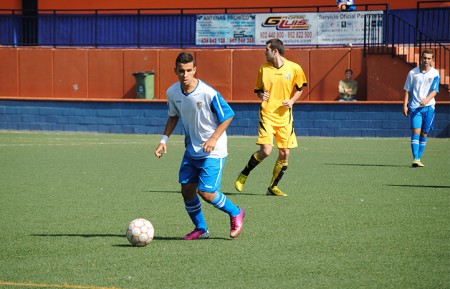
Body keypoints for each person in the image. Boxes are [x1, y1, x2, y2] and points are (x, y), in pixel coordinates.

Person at [154, 52, 245, 240]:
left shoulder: (208, 93)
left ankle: (236, 212)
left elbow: (228, 115)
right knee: (187, 190)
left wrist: (213, 139)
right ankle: (201, 229)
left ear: (195, 70)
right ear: (175, 71)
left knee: (206, 192)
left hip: (214, 150)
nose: (185, 74)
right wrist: (164, 140)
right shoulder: (172, 92)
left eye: (189, 70)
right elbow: (173, 116)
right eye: (181, 71)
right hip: (192, 149)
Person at [235, 39, 307, 197]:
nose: (264, 52)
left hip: (284, 117)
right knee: (266, 151)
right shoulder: (263, 69)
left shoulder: (294, 68)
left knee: (285, 153)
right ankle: (244, 173)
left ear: (275, 51)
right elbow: (258, 91)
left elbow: (300, 88)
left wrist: (292, 100)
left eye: (266, 49)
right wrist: (262, 94)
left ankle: (272, 187)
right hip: (267, 114)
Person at [403, 49, 440, 168]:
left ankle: (419, 157)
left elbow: (435, 90)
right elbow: (407, 91)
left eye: (429, 58)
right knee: (416, 131)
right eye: (424, 58)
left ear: (432, 60)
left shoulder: (435, 73)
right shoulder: (412, 73)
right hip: (415, 107)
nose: (426, 60)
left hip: (429, 107)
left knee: (424, 133)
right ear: (421, 58)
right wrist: (405, 105)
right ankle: (416, 158)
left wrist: (427, 100)